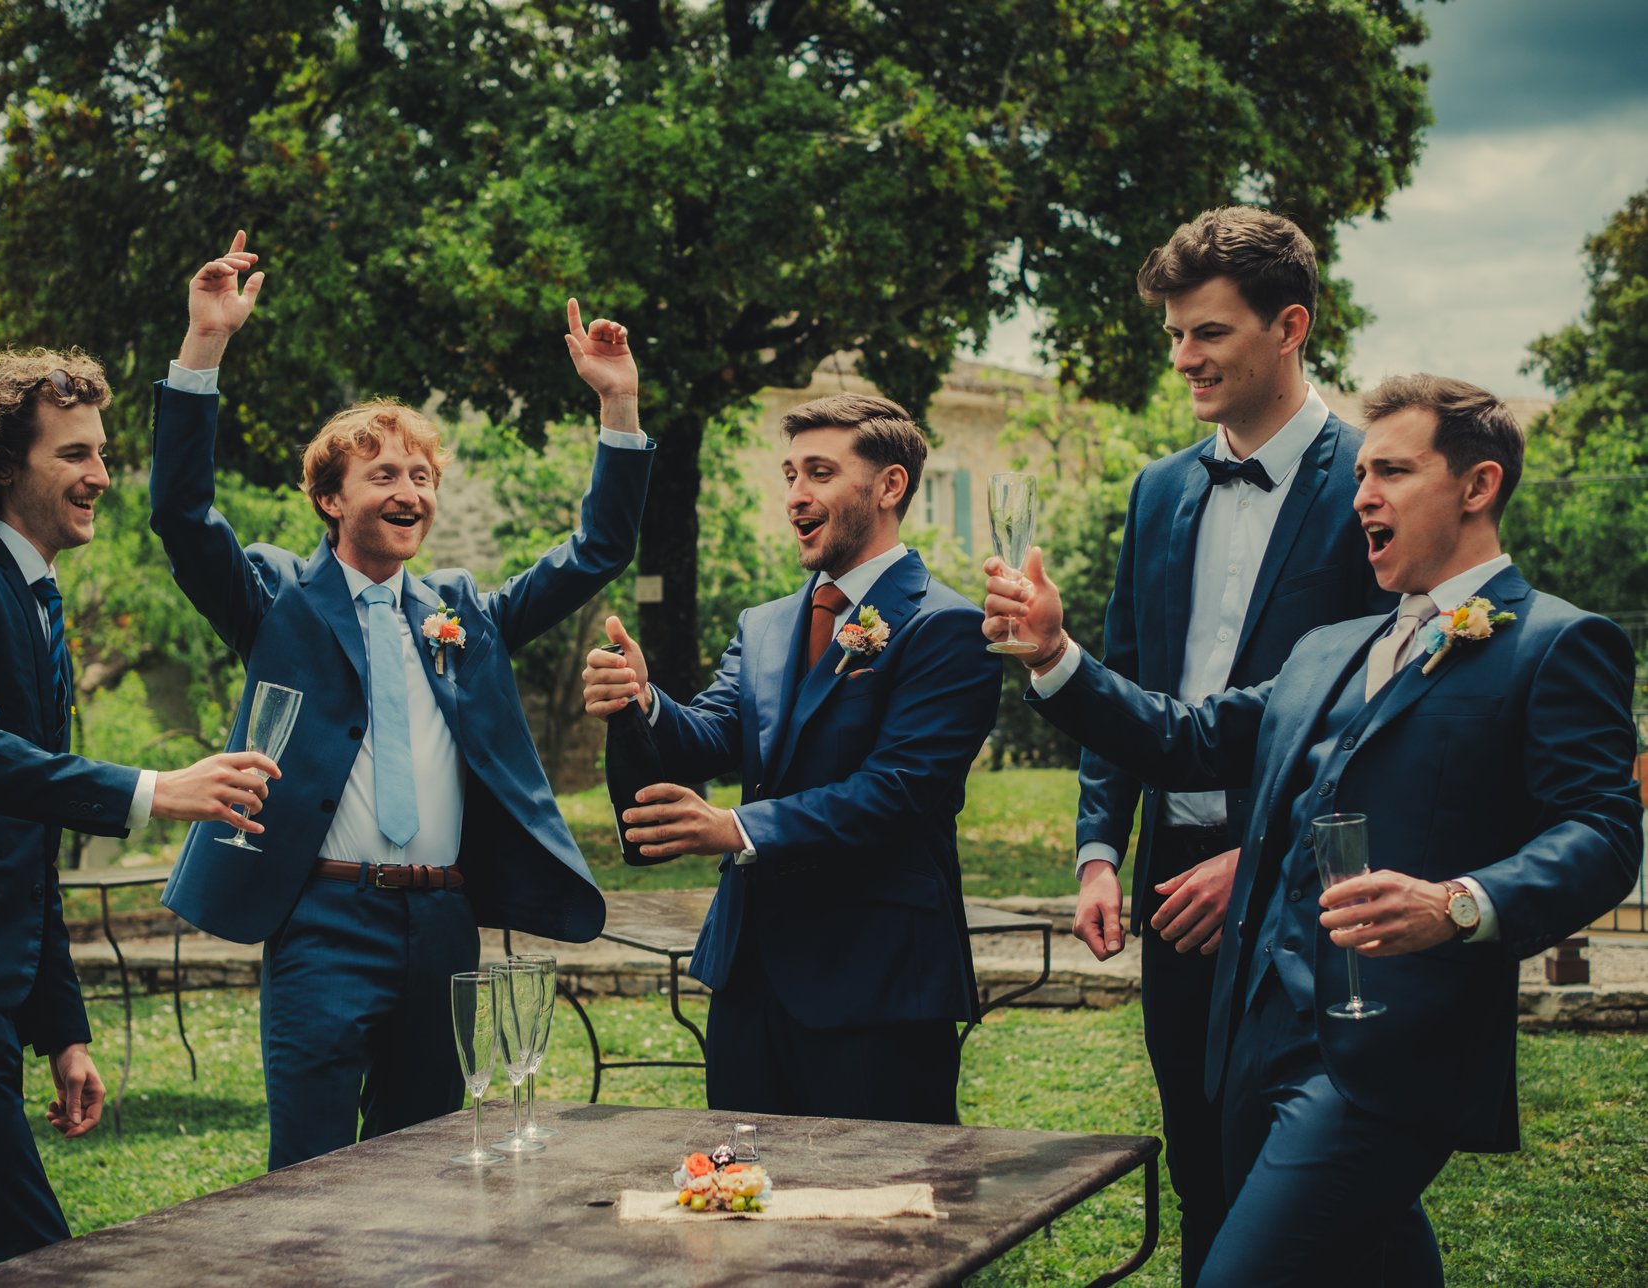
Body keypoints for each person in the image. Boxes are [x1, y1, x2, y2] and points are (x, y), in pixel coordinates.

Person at [985, 374, 1642, 1285]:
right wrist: (1057, 656)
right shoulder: (1327, 650)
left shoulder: (1557, 644)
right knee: (1375, 1262)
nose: (1363, 494)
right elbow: (1185, 740)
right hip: (1254, 1039)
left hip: (1389, 1052)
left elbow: (1604, 833)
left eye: (1393, 472)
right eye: (1362, 473)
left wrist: (1460, 903)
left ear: (1479, 485)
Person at [151, 232, 653, 1168]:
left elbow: (597, 552)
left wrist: (617, 405)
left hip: (444, 926)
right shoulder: (276, 599)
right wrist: (204, 343)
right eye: (384, 475)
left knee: (423, 1169)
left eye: (421, 477)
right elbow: (182, 516)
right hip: (322, 922)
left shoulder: (464, 612)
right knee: (308, 1173)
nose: (409, 491)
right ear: (331, 500)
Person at [0, 351, 279, 1287]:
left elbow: (28, 848)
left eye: (102, 453)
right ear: (2, 464)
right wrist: (154, 790)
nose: (100, 475)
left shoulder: (39, 605)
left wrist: (62, 1028)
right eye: (74, 454)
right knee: (29, 1250)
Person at [1074, 205, 1390, 1281]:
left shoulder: (1375, 482)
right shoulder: (1159, 487)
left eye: (1207, 331)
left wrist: (1262, 859)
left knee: (1315, 1181)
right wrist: (1100, 849)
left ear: (1290, 325)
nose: (1183, 358)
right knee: (1202, 1162)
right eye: (1175, 333)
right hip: (1173, 885)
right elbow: (1125, 681)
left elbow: (1381, 719)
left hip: (1309, 890)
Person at [582, 392, 1003, 1124]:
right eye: (789, 475)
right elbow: (714, 731)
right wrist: (646, 700)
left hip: (875, 982)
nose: (795, 496)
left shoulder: (948, 626)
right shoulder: (767, 623)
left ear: (889, 486)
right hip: (748, 976)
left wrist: (735, 828)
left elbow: (895, 791)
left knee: (878, 1192)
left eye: (819, 472)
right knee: (747, 1182)